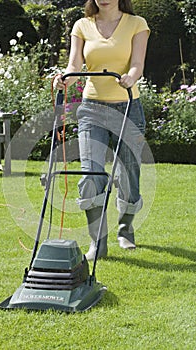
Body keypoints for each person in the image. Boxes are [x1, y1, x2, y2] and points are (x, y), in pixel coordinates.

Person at [53, 0, 150, 260]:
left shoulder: (137, 24)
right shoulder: (82, 25)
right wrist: (65, 79)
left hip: (127, 107)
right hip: (92, 109)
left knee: (129, 174)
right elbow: (75, 65)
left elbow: (137, 63)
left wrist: (131, 76)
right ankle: (98, 242)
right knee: (91, 173)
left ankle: (125, 228)